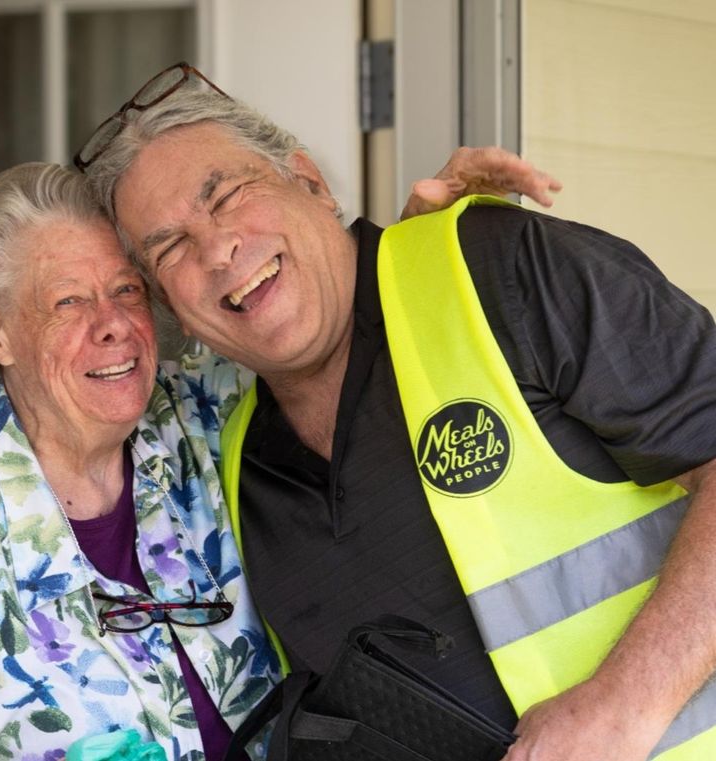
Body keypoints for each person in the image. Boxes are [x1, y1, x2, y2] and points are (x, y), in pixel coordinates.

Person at [81, 63, 716, 760]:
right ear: (174, 309)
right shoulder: (237, 466)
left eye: (227, 194)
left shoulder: (500, 272)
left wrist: (622, 705)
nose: (218, 248)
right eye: (169, 246)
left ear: (311, 183)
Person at [0, 155, 544, 760]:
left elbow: (322, 337)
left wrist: (406, 243)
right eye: (68, 302)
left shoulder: (193, 413)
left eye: (126, 290)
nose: (113, 327)